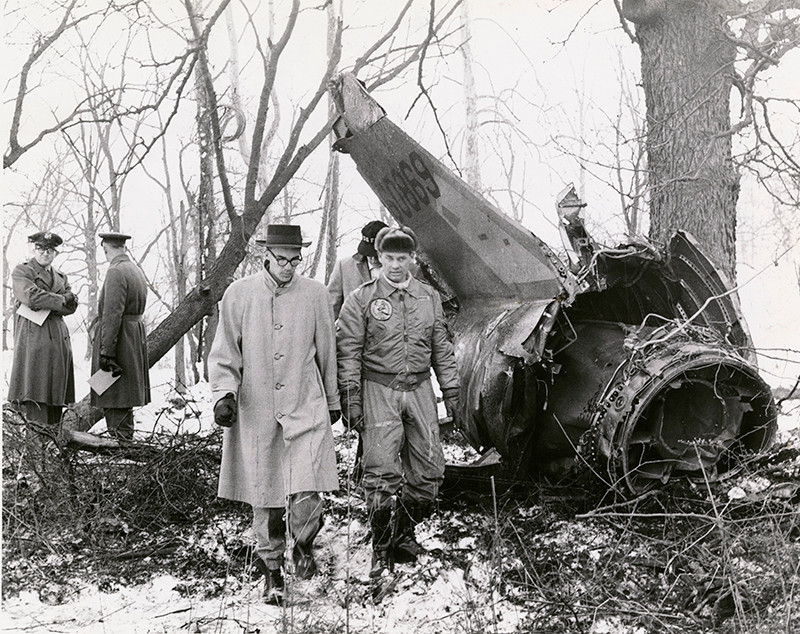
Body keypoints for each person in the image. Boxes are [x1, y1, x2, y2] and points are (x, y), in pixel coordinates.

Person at [208, 224, 341, 606]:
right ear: (265, 256)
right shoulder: (239, 294)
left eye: (295, 260)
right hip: (257, 407)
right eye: (281, 259)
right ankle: (272, 572)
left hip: (305, 403)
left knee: (308, 490)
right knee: (265, 496)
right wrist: (224, 395)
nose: (288, 267)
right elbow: (224, 354)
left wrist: (333, 401)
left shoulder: (315, 295)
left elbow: (327, 351)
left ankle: (303, 545)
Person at [336, 226, 460, 583]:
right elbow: (348, 352)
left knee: (430, 471)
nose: (395, 265)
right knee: (380, 472)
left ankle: (403, 534)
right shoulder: (361, 299)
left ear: (412, 259)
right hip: (378, 389)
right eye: (389, 258)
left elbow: (441, 347)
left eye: (402, 258)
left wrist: (452, 391)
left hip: (420, 388)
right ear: (379, 258)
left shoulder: (428, 297)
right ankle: (380, 546)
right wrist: (351, 399)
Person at [8, 231, 78, 427]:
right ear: (34, 249)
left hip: (58, 340)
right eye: (41, 249)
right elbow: (31, 297)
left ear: (55, 253)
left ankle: (52, 441)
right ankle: (36, 445)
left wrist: (52, 302)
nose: (45, 253)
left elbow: (71, 307)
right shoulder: (23, 271)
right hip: (34, 339)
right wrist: (61, 299)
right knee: (35, 394)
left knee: (56, 397)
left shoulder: (61, 277)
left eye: (49, 250)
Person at [90, 232, 150, 441]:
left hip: (119, 342)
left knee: (114, 398)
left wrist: (106, 353)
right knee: (122, 400)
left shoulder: (115, 271)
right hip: (132, 339)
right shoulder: (135, 269)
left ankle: (121, 449)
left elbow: (112, 314)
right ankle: (125, 445)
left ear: (106, 248)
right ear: (123, 247)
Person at [327, 220, 388, 318]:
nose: (373, 259)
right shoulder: (344, 267)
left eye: (377, 254)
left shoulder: (406, 270)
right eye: (369, 254)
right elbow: (330, 309)